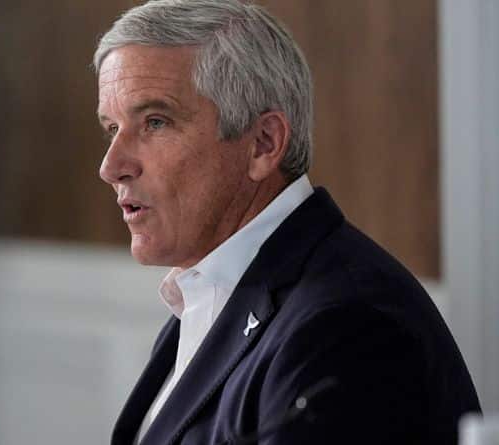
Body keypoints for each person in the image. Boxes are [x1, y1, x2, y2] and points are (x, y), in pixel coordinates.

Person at [93, 1, 481, 444]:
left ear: (263, 143)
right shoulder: (210, 288)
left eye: (155, 122)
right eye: (111, 128)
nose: (112, 165)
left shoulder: (347, 328)